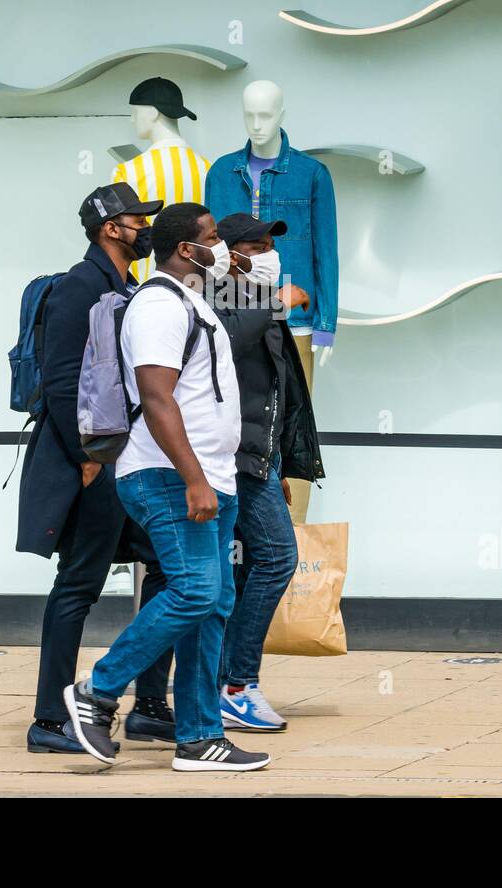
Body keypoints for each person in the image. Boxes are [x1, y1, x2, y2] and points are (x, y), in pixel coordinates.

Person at [64, 203, 270, 771]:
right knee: (197, 592)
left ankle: (200, 738)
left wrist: (212, 478)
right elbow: (157, 398)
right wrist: (194, 479)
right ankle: (97, 690)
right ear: (187, 249)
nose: (223, 247)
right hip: (170, 477)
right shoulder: (157, 304)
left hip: (208, 477)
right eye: (212, 238)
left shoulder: (191, 301)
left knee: (212, 606)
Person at [15, 183, 176, 753]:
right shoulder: (81, 287)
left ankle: (151, 707)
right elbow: (62, 382)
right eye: (139, 220)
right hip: (94, 464)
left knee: (169, 570)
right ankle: (50, 720)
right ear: (112, 228)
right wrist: (86, 461)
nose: (146, 230)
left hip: (124, 463)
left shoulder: (126, 287)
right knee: (78, 586)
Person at [210, 213, 325, 732]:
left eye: (268, 245)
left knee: (235, 572)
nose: (266, 255)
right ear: (229, 256)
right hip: (229, 460)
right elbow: (225, 347)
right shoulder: (217, 301)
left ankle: (214, 685)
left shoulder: (258, 303)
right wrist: (279, 302)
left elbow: (275, 396)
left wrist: (278, 459)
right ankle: (235, 685)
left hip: (256, 459)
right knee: (277, 558)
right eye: (254, 247)